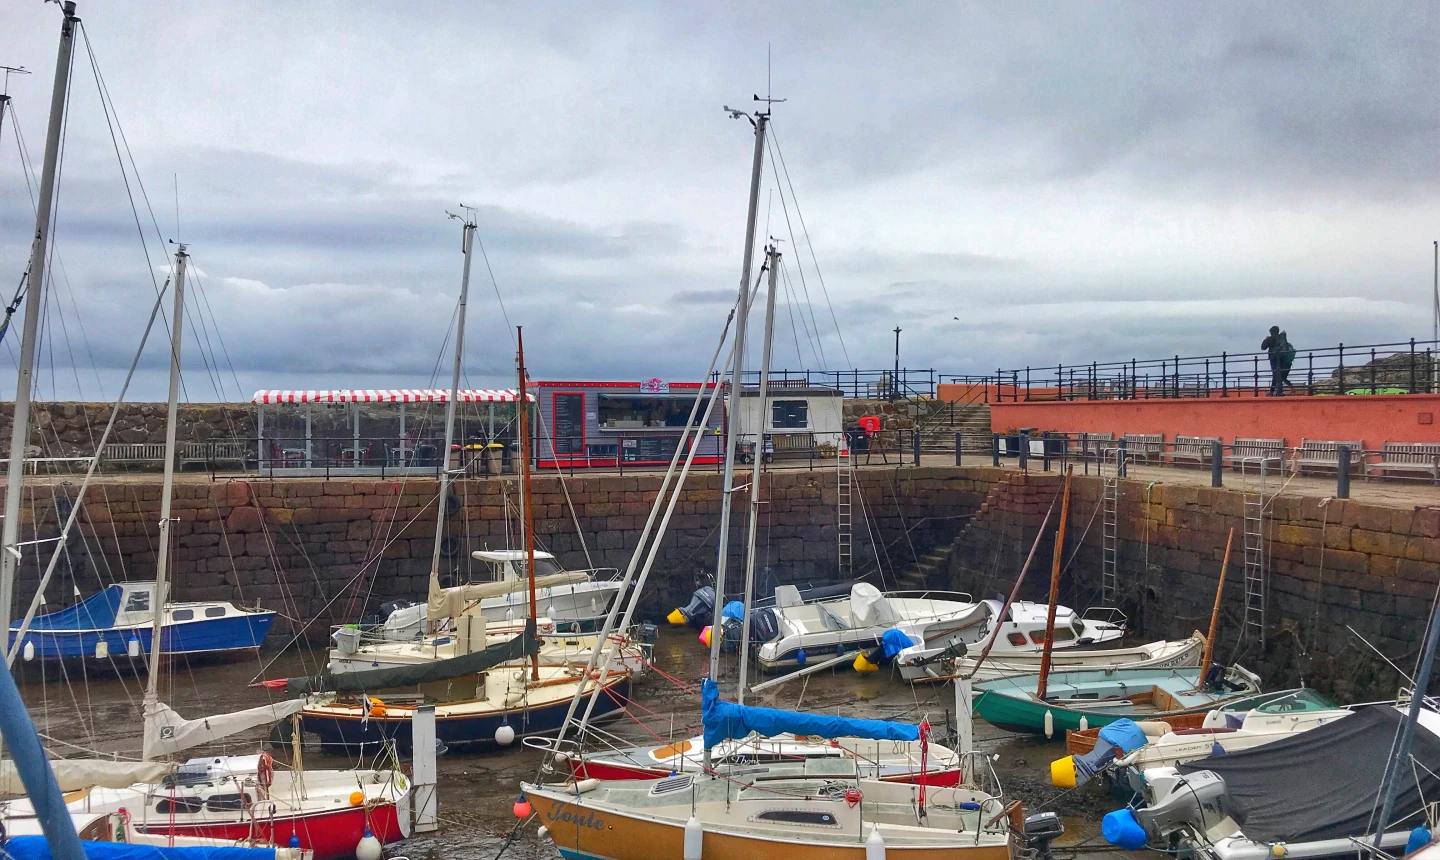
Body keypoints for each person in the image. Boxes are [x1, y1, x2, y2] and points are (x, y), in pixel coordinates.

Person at [1261, 325, 1296, 395]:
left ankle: (1273, 391)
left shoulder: (1271, 339)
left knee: (1276, 374)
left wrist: (1266, 339)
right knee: (1279, 374)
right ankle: (1281, 389)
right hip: (1284, 358)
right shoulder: (1282, 338)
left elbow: (1263, 347)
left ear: (1271, 332)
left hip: (1274, 358)